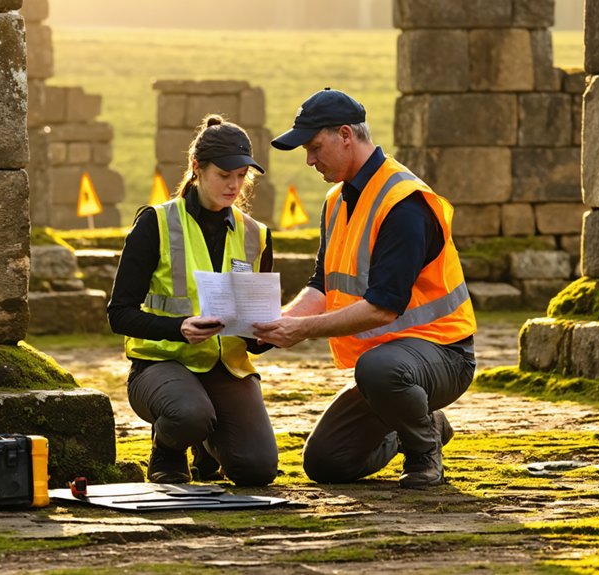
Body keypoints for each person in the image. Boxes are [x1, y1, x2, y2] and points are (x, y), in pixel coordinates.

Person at [254, 88, 476, 488]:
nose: (308, 159)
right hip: (389, 367)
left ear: (345, 135)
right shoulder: (336, 199)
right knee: (326, 463)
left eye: (314, 146)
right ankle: (425, 422)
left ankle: (423, 453)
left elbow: (382, 310)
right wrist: (275, 323)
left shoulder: (404, 204)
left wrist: (300, 332)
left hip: (443, 355)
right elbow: (321, 285)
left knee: (376, 369)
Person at [108, 114, 279, 487]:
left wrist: (265, 335)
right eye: (224, 175)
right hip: (160, 364)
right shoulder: (155, 223)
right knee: (189, 414)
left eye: (242, 176)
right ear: (196, 168)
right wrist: (178, 328)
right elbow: (119, 314)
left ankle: (206, 446)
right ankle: (168, 449)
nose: (234, 185)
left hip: (227, 368)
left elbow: (254, 327)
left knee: (258, 470)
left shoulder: (257, 236)